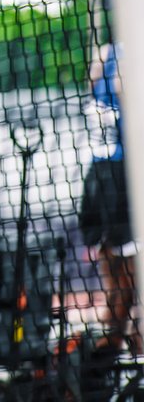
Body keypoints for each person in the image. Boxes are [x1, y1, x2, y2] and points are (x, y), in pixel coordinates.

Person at [79, 42, 138, 355]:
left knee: (119, 257)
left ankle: (118, 331)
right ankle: (115, 333)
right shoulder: (112, 55)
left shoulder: (109, 55)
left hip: (108, 171)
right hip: (113, 171)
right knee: (119, 257)